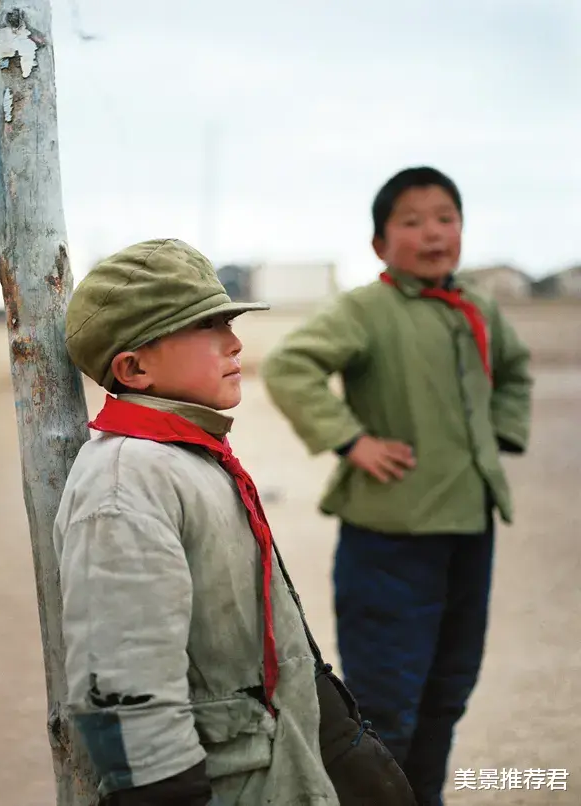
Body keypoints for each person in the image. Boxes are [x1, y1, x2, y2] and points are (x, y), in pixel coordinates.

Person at [53, 238, 416, 806]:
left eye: (228, 321)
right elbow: (127, 679)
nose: (234, 341)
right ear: (134, 367)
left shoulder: (184, 455)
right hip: (226, 783)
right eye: (206, 327)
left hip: (272, 763)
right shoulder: (127, 481)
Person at [261, 167, 533, 806]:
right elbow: (291, 365)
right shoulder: (366, 309)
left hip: (470, 529)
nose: (433, 232)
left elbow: (515, 370)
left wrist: (497, 433)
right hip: (389, 537)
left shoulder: (480, 308)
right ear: (380, 244)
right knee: (387, 703)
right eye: (411, 222)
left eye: (445, 218)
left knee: (448, 689)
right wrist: (351, 440)